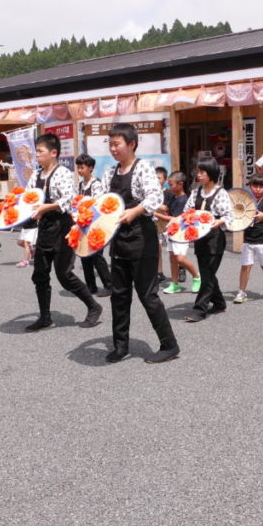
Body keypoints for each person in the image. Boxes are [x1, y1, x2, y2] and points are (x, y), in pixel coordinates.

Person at [101, 123, 179, 363]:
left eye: (117, 144)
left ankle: (169, 345)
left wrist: (134, 211)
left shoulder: (143, 168)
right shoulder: (109, 173)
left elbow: (155, 196)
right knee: (119, 295)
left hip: (141, 238)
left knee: (147, 295)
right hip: (119, 240)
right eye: (111, 144)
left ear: (132, 144)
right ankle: (120, 346)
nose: (113, 149)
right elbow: (102, 203)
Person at [22, 134, 102, 332]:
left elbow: (69, 200)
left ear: (53, 152)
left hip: (62, 227)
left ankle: (94, 306)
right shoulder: (36, 175)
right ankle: (45, 317)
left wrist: (45, 208)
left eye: (40, 151)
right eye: (37, 151)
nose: (37, 155)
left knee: (64, 274)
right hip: (44, 229)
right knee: (39, 274)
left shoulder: (63, 173)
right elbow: (30, 197)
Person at [183, 157, 233, 323]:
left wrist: (219, 221)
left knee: (207, 274)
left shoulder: (221, 193)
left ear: (211, 174)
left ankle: (199, 309)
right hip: (199, 238)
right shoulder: (196, 191)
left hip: (214, 239)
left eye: (202, 172)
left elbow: (228, 215)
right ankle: (219, 303)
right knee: (207, 272)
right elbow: (187, 210)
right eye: (198, 171)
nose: (199, 174)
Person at [234, 173, 263, 304]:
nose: (258, 189)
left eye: (261, 186)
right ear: (249, 186)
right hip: (248, 239)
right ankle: (241, 292)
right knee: (245, 266)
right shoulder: (246, 202)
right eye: (255, 186)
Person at [156, 171, 200, 295]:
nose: (169, 187)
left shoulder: (183, 200)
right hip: (171, 232)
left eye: (171, 184)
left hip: (181, 233)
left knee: (180, 258)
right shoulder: (173, 196)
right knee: (172, 259)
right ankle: (174, 284)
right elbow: (167, 209)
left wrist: (155, 213)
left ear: (180, 184)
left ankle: (197, 276)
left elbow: (175, 219)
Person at [75, 153, 111, 296]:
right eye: (78, 167)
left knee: (96, 256)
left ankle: (109, 285)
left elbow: (98, 205)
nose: (79, 170)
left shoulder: (97, 184)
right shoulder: (80, 184)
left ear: (90, 168)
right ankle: (91, 286)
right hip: (83, 224)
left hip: (96, 224)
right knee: (84, 254)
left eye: (82, 167)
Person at [154, 165, 169, 282]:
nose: (156, 180)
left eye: (159, 178)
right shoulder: (151, 193)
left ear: (165, 179)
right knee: (157, 249)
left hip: (167, 225)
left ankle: (181, 268)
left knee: (173, 250)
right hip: (155, 226)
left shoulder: (168, 193)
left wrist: (152, 205)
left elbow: (165, 207)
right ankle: (159, 272)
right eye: (155, 178)